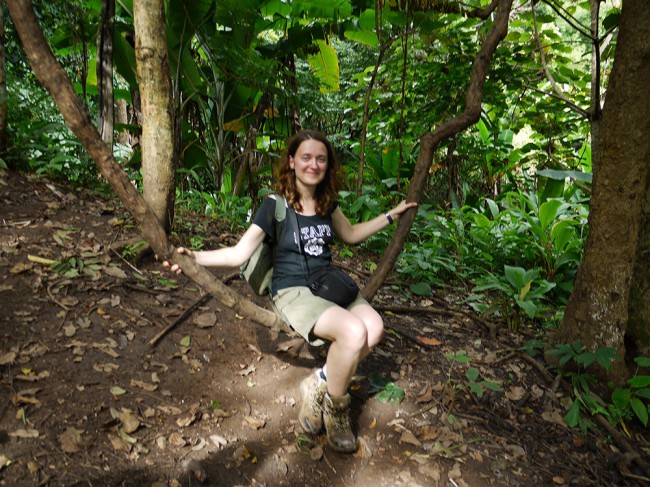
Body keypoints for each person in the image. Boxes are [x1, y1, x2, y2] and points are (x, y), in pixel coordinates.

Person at [164, 130, 416, 453]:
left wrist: (389, 216)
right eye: (307, 157)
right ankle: (336, 411)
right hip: (294, 290)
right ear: (292, 161)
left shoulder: (326, 203)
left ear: (327, 165)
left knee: (375, 329)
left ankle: (319, 382)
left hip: (328, 283)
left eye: (321, 159)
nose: (314, 164)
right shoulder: (275, 205)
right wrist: (193, 257)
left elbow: (350, 234)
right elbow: (239, 254)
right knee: (354, 333)